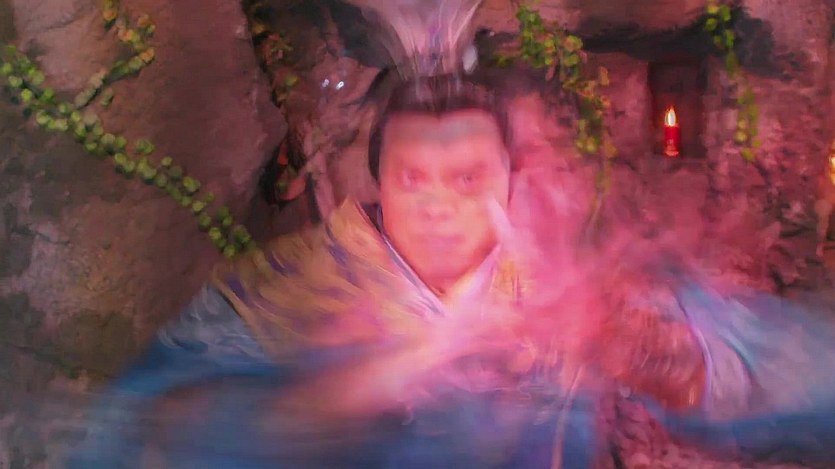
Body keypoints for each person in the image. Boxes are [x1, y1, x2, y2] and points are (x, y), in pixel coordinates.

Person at [68, 74, 835, 468]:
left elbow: (780, 367)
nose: (439, 206)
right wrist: (370, 380)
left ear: (508, 182)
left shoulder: (562, 281)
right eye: (413, 179)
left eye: (468, 179)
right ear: (376, 182)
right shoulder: (280, 289)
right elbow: (140, 433)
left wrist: (635, 344)